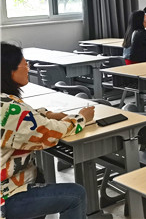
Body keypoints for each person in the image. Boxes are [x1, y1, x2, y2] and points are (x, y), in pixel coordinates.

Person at [1, 43, 95, 219]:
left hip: (9, 181)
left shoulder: (5, 103)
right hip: (5, 196)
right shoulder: (12, 110)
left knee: (40, 176)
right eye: (24, 64)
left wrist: (46, 114)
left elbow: (18, 121)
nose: (28, 68)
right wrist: (81, 117)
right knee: (76, 195)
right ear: (9, 70)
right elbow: (51, 133)